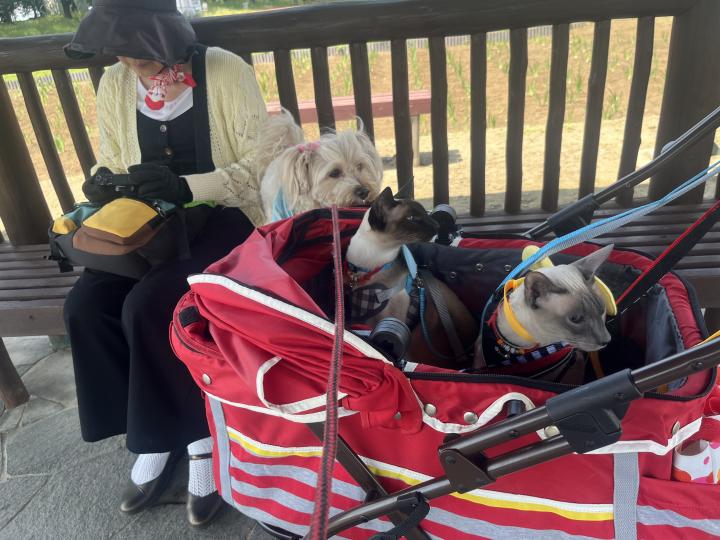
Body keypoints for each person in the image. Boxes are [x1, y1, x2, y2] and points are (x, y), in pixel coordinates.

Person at [62, 0, 266, 527]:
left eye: (139, 52)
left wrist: (186, 186)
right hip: (150, 223)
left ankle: (199, 440)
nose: (129, 63)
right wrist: (105, 182)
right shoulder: (115, 82)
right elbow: (112, 155)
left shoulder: (225, 70)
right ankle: (149, 432)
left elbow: (260, 168)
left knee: (151, 303)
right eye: (119, 52)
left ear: (168, 38)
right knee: (86, 306)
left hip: (225, 218)